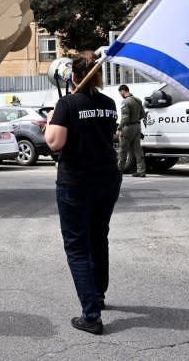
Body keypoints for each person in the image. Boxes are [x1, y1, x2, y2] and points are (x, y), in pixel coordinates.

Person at [44, 52, 121, 335]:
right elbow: (108, 134)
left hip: (76, 183)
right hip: (107, 179)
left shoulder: (67, 103)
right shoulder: (109, 103)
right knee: (99, 238)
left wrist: (53, 118)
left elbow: (54, 143)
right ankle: (98, 294)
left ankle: (91, 315)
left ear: (72, 77)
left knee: (77, 247)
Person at [117, 84, 147, 177]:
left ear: (123, 91)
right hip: (137, 126)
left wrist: (119, 127)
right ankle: (141, 170)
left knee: (122, 149)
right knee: (137, 149)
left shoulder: (125, 102)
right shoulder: (137, 100)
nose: (120, 95)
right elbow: (143, 114)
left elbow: (125, 117)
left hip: (128, 128)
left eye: (120, 93)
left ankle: (118, 171)